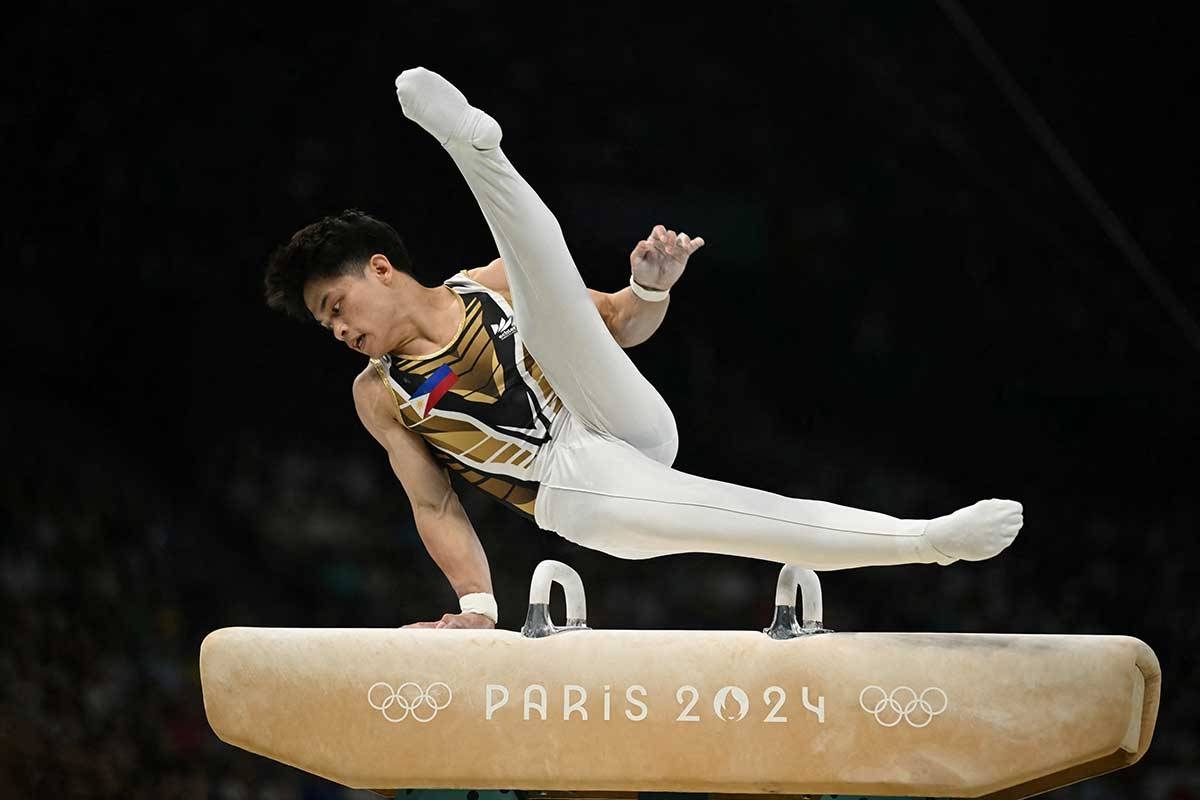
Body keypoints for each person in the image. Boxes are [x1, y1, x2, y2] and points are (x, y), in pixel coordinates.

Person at [263, 67, 1024, 630]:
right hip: (577, 484)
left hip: (616, 412)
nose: (338, 330)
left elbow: (616, 323)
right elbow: (434, 504)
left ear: (381, 269)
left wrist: (648, 287)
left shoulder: (488, 285)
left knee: (532, 279)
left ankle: (475, 148)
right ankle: (925, 540)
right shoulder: (382, 394)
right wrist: (477, 608)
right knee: (747, 516)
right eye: (326, 326)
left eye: (337, 306)